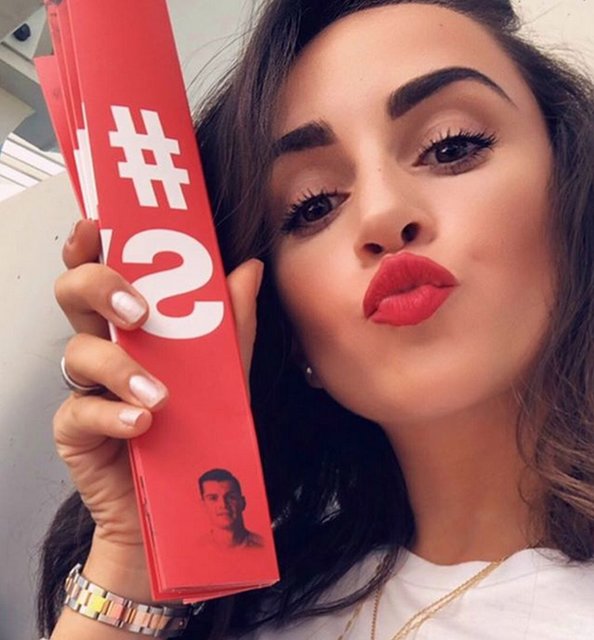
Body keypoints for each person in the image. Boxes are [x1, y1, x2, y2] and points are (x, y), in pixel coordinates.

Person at [37, 0, 594, 638]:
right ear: (285, 326)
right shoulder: (261, 608)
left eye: (451, 146)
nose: (383, 214)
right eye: (314, 205)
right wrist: (141, 544)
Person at [197, 469, 264, 550]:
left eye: (231, 497)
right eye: (213, 498)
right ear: (203, 505)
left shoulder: (264, 546)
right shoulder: (195, 550)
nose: (223, 505)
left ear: (243, 502)